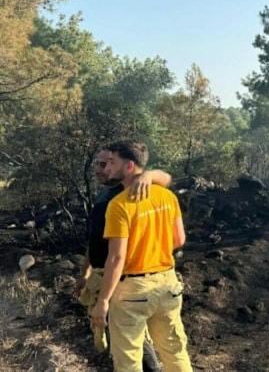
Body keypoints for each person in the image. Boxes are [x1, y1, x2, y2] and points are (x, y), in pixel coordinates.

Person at [91, 140, 193, 372]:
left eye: (112, 163)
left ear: (129, 167)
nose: (107, 168)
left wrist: (103, 301)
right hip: (168, 284)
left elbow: (116, 259)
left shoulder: (119, 205)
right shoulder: (167, 197)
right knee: (174, 351)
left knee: (128, 360)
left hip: (133, 290)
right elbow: (179, 240)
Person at [75, 148, 172, 370]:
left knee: (133, 339)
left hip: (122, 280)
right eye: (98, 164)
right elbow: (96, 241)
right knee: (121, 339)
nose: (101, 169)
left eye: (107, 164)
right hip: (102, 277)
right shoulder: (103, 197)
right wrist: (85, 273)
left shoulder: (130, 191)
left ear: (120, 166)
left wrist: (149, 175)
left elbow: (166, 179)